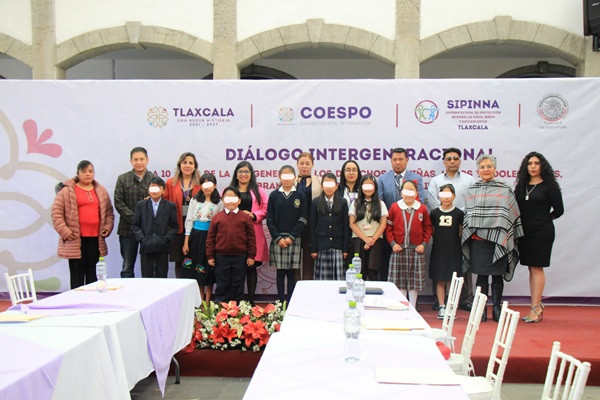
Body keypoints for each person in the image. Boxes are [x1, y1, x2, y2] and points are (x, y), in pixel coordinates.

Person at [461, 154, 523, 322]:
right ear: (477, 170)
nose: (486, 169)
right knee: (481, 276)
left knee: (497, 276)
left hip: (499, 240)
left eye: (489, 166)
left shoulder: (504, 189)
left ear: (495, 169)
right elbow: (469, 217)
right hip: (479, 242)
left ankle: (496, 307)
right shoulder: (472, 190)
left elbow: (510, 215)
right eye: (482, 167)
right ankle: (481, 309)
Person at [514, 152, 564, 323]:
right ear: (525, 167)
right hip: (524, 233)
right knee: (531, 268)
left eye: (536, 163)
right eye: (530, 163)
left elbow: (559, 210)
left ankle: (535, 307)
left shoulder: (550, 187)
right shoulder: (521, 186)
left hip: (542, 232)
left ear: (542, 166)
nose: (533, 166)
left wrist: (543, 219)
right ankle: (536, 306)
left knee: (537, 268)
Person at [51, 160, 114, 289]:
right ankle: (76, 303)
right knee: (77, 275)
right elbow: (56, 214)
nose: (87, 174)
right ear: (77, 173)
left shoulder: (101, 191)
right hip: (75, 240)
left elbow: (109, 212)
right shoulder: (66, 191)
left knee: (93, 274)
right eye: (84, 171)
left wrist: (107, 227)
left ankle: (92, 302)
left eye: (90, 171)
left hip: (95, 240)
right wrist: (66, 232)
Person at [427, 148, 476, 312]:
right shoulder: (436, 181)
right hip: (441, 226)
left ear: (460, 161)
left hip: (463, 226)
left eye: (455, 158)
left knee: (461, 264)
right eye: (449, 159)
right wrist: (445, 211)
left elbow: (472, 201)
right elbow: (434, 203)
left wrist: (458, 214)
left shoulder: (469, 180)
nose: (452, 161)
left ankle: (463, 299)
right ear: (444, 162)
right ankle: (440, 302)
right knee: (441, 268)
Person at [378, 147, 426, 281]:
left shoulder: (416, 178)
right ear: (391, 161)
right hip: (389, 229)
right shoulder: (382, 179)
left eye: (401, 159)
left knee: (408, 272)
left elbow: (420, 201)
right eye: (395, 160)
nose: (397, 162)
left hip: (410, 232)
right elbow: (380, 204)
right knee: (386, 265)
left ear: (407, 160)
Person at [386, 180, 432, 309]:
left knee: (414, 281)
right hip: (398, 249)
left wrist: (423, 244)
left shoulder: (421, 208)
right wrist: (393, 243)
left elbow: (427, 228)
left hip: (416, 250)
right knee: (400, 281)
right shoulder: (395, 207)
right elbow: (388, 228)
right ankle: (402, 305)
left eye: (412, 191)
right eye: (406, 191)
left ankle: (412, 306)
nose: (409, 194)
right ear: (401, 193)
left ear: (416, 192)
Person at [206, 186, 256, 303]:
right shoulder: (217, 218)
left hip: (240, 257)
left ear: (239, 200)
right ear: (223, 200)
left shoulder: (245, 218)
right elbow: (210, 238)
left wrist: (251, 255)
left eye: (233, 198)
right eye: (227, 198)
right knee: (222, 284)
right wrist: (210, 256)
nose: (230, 202)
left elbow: (251, 238)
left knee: (238, 285)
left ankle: (237, 314)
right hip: (221, 257)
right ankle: (221, 314)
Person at [114, 147, 157, 278]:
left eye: (142, 159)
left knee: (150, 267)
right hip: (127, 230)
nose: (139, 162)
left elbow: (159, 203)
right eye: (136, 159)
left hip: (149, 231)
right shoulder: (123, 179)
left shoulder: (154, 179)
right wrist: (136, 219)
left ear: (147, 160)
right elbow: (118, 202)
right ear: (131, 161)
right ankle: (127, 297)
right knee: (127, 267)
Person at [267, 165, 308, 303]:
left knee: (291, 273)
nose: (287, 180)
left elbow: (303, 218)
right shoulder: (274, 195)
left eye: (290, 176)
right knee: (280, 273)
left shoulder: (300, 195)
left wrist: (291, 237)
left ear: (295, 177)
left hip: (294, 238)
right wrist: (278, 238)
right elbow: (270, 219)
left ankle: (290, 302)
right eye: (284, 176)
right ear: (279, 177)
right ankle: (280, 302)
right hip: (278, 238)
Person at [229, 161, 269, 304]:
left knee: (251, 268)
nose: (243, 174)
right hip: (234, 235)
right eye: (240, 171)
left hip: (253, 234)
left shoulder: (260, 191)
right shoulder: (229, 191)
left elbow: (265, 210)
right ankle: (235, 303)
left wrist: (253, 215)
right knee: (236, 269)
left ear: (251, 174)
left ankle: (251, 301)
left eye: (246, 171)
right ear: (236, 174)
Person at [182, 173, 223, 304]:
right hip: (195, 236)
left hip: (210, 237)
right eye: (204, 184)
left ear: (215, 186)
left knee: (209, 267)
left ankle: (208, 298)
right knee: (197, 267)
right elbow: (189, 221)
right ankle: (200, 299)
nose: (207, 188)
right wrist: (186, 242)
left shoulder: (219, 203)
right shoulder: (194, 200)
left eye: (210, 184)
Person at [132, 177, 179, 278]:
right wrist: (142, 239)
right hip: (146, 245)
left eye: (158, 188)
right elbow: (135, 225)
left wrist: (166, 239)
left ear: (163, 190)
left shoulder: (170, 206)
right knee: (146, 276)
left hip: (162, 246)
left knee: (162, 275)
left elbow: (175, 226)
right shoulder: (141, 205)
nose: (154, 191)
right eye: (152, 188)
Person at [429, 184, 464, 320]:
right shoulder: (434, 213)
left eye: (449, 195)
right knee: (440, 279)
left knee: (452, 280)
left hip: (454, 251)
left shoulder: (459, 214)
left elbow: (460, 232)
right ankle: (442, 306)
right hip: (439, 250)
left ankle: (451, 306)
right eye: (443, 195)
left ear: (454, 196)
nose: (446, 198)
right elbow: (433, 231)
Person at [164, 152, 201, 278]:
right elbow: (165, 203)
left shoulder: (200, 184)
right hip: (177, 226)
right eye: (184, 162)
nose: (187, 165)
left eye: (191, 163)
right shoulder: (170, 183)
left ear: (195, 166)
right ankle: (180, 290)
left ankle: (194, 290)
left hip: (195, 227)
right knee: (179, 260)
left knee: (192, 260)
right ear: (179, 165)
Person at [310, 173, 350, 280]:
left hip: (338, 246)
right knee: (322, 281)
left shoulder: (342, 202)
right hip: (322, 246)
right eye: (326, 184)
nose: (329, 187)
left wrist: (345, 248)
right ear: (322, 186)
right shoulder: (316, 202)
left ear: (336, 186)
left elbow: (346, 226)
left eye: (331, 184)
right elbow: (312, 227)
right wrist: (313, 249)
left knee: (338, 280)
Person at [348, 174, 388, 281]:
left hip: (376, 241)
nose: (368, 189)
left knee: (373, 272)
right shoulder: (355, 203)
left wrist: (372, 240)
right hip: (358, 240)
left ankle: (373, 297)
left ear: (375, 187)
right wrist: (365, 239)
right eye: (365, 186)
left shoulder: (381, 204)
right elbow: (352, 223)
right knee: (360, 272)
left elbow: (383, 224)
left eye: (371, 185)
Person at [295, 152, 322, 281]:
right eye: (301, 163)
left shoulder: (320, 181)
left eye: (307, 163)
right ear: (297, 164)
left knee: (309, 259)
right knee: (294, 261)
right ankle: (293, 290)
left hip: (312, 225)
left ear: (312, 165)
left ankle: (306, 287)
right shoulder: (289, 181)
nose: (304, 166)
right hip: (294, 226)